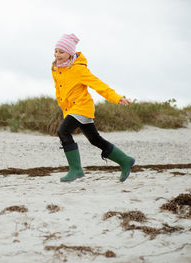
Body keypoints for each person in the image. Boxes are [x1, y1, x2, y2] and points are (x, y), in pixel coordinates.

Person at [51, 33, 135, 183]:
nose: (57, 55)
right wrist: (65, 109)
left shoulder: (79, 69)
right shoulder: (56, 69)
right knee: (95, 139)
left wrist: (116, 97)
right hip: (72, 110)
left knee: (62, 131)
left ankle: (76, 169)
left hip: (82, 107)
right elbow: (60, 91)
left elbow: (98, 85)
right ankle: (125, 160)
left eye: (61, 52)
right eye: (56, 51)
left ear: (70, 53)